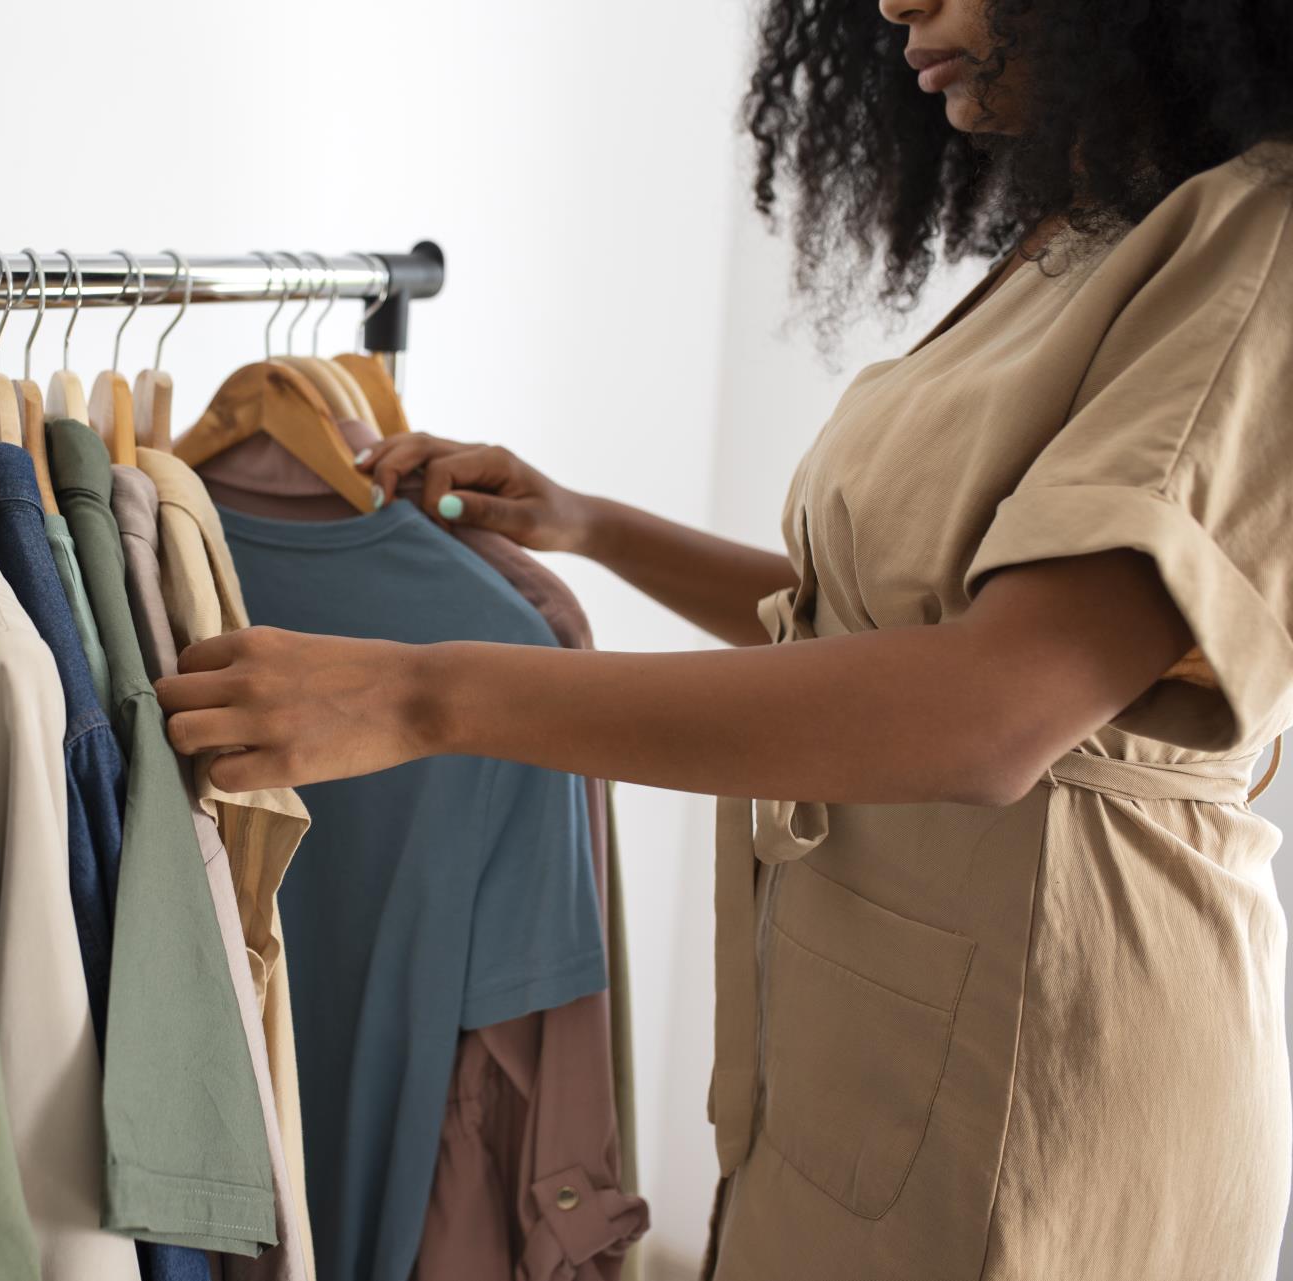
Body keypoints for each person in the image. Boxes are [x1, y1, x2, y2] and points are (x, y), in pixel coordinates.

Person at [154, 0, 1293, 1276]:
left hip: (1059, 1057)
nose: (894, 5)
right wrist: (591, 525)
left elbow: (991, 706)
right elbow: (866, 631)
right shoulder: (1087, 233)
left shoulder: (1260, 242)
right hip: (887, 1045)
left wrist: (428, 696)